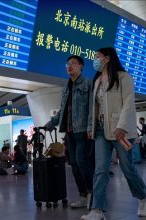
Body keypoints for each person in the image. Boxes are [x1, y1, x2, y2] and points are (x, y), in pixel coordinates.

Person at [81, 47, 146, 219]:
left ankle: (143, 197)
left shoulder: (123, 77)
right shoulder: (97, 80)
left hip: (120, 130)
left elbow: (128, 103)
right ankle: (97, 210)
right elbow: (94, 107)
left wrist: (122, 125)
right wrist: (90, 127)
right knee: (100, 170)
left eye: (98, 56)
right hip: (100, 130)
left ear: (108, 58)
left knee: (127, 168)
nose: (95, 60)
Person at [45, 55, 93, 209]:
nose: (69, 66)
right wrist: (51, 123)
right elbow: (62, 111)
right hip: (70, 132)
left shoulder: (88, 83)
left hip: (83, 130)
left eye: (73, 63)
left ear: (81, 66)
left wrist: (91, 127)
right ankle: (83, 195)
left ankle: (92, 193)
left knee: (81, 161)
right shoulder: (66, 87)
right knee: (73, 164)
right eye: (68, 64)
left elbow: (93, 107)